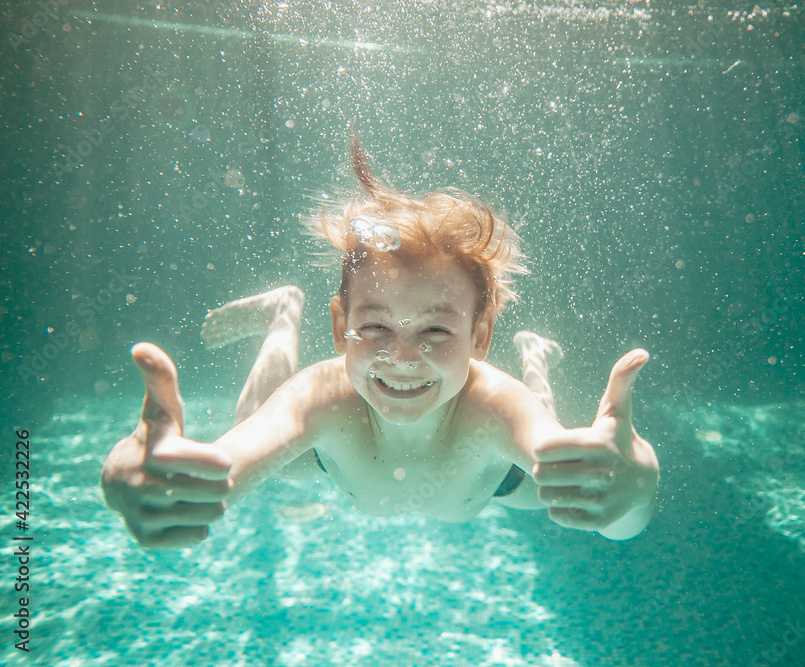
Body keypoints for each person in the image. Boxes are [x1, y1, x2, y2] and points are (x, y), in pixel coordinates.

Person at [100, 137, 659, 549]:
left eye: (436, 330)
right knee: (252, 417)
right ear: (340, 323)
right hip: (331, 460)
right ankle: (283, 312)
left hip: (494, 484)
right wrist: (146, 480)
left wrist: (629, 493)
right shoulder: (322, 398)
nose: (402, 355)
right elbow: (220, 470)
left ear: (480, 338)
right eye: (374, 328)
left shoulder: (495, 408)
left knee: (555, 470)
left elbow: (606, 508)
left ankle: (533, 354)